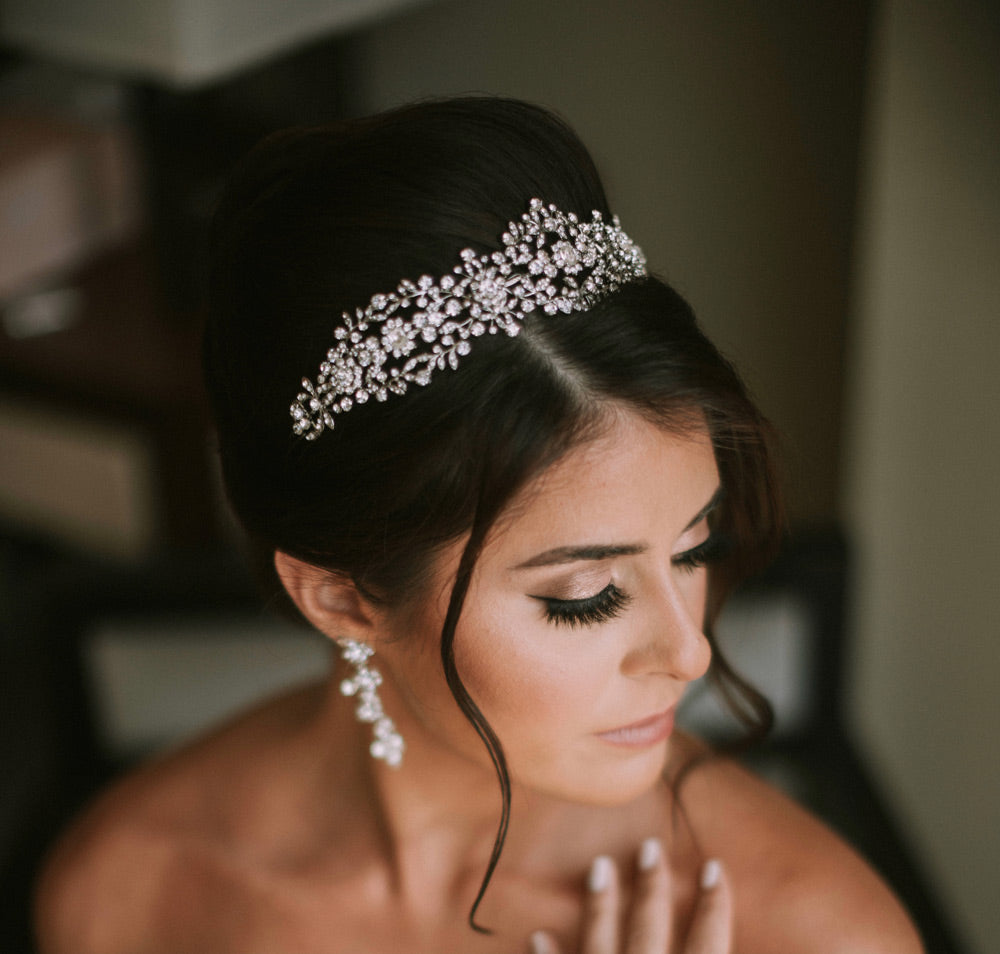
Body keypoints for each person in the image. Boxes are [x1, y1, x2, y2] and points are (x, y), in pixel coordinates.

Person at [33, 96, 923, 953]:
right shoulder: (134, 896)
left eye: (696, 546)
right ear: (341, 597)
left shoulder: (814, 933)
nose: (690, 652)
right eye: (585, 597)